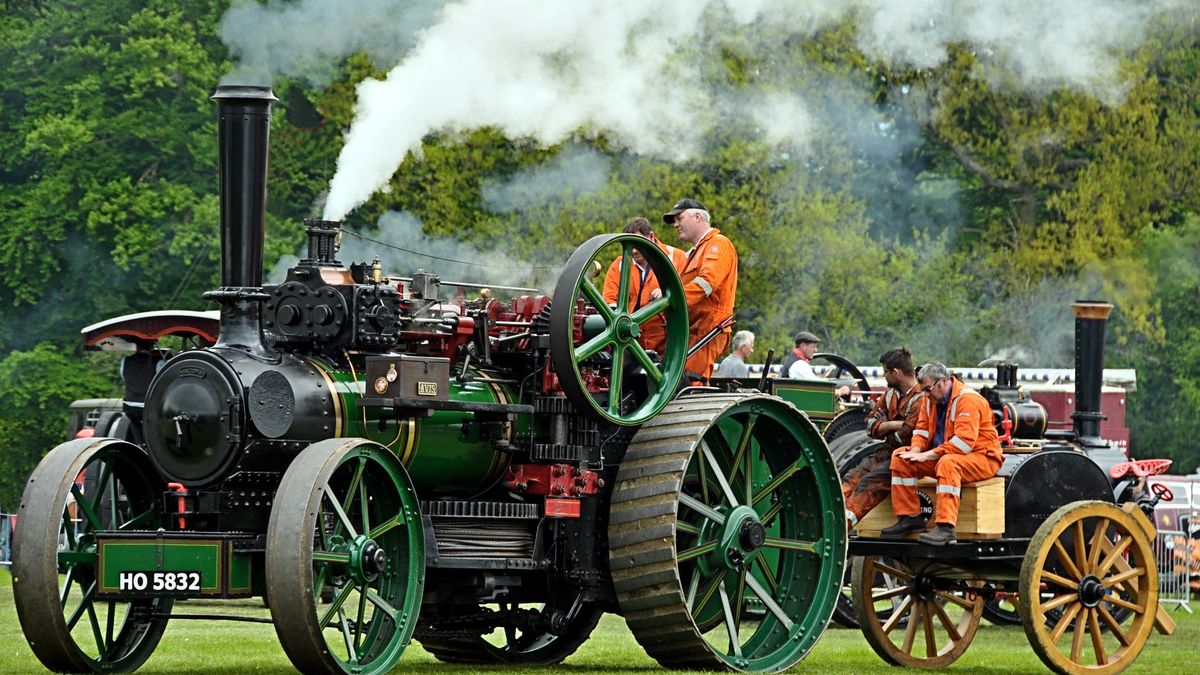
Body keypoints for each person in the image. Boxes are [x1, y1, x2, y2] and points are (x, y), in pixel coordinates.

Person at [881, 362, 1003, 545]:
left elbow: (963, 443)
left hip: (983, 458)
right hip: (946, 455)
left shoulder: (968, 400)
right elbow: (921, 431)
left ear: (943, 382)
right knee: (900, 457)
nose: (925, 395)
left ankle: (946, 527)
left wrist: (926, 456)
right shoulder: (929, 400)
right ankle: (910, 518)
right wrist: (914, 452)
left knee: (948, 463)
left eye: (928, 389)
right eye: (923, 390)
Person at [842, 348, 926, 529]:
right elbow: (869, 425)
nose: (884, 377)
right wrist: (891, 425)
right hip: (885, 453)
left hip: (908, 456)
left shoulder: (921, 398)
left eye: (886, 372)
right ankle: (829, 518)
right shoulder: (890, 395)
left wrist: (886, 425)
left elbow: (904, 435)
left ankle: (840, 528)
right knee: (850, 478)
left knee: (869, 483)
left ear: (896, 373)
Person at [663, 198, 737, 380]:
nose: (676, 225)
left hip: (709, 327)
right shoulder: (695, 252)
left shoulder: (718, 244)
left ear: (697, 216)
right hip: (693, 329)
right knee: (678, 381)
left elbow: (707, 283)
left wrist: (672, 299)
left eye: (679, 218)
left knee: (690, 382)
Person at [602, 217, 688, 353]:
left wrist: (667, 291)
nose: (634, 251)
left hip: (669, 343)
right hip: (631, 342)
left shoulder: (677, 258)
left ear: (651, 237)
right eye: (630, 245)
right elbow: (609, 300)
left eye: (637, 244)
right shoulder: (619, 265)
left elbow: (689, 293)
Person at [122, 338, 165, 446]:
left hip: (129, 405)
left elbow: (124, 378)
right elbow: (164, 382)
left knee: (135, 422)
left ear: (136, 346)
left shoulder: (126, 360)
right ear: (152, 347)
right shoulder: (160, 361)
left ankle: (139, 445)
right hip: (149, 406)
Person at [785, 331, 850, 396]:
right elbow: (818, 388)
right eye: (813, 347)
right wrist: (839, 392)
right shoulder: (799, 365)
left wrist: (822, 379)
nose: (816, 350)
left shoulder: (794, 360)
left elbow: (811, 383)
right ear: (803, 346)